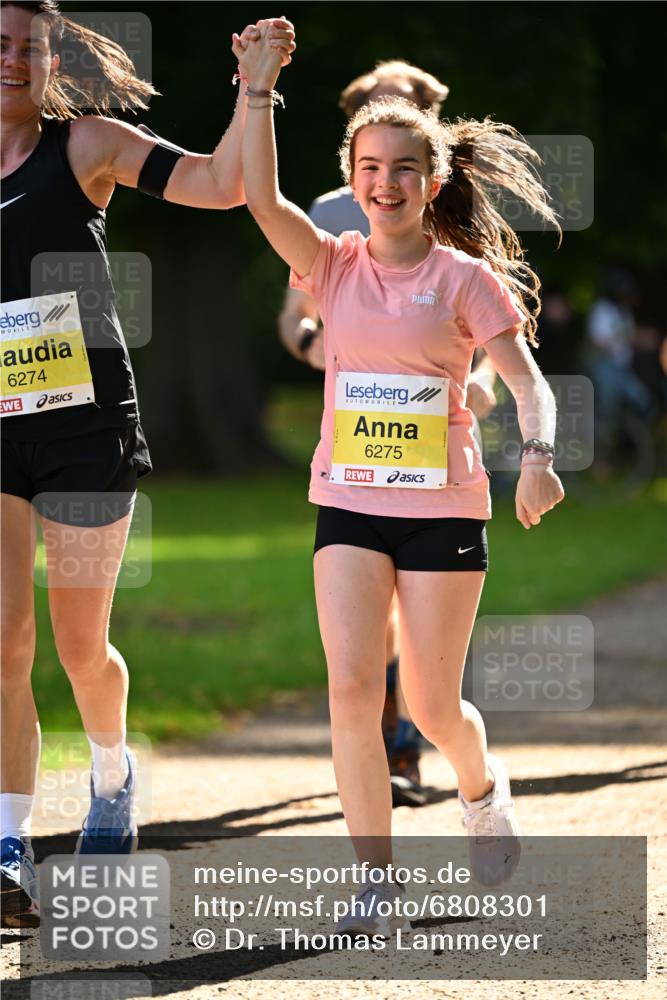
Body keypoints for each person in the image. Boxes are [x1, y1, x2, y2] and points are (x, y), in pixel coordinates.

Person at [233, 26, 564, 932]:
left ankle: (480, 786)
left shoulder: (464, 280)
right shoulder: (328, 265)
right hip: (346, 503)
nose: (385, 184)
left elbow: (529, 384)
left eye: (404, 169)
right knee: (350, 689)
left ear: (433, 180)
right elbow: (255, 195)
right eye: (368, 168)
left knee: (429, 701)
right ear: (351, 176)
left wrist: (536, 461)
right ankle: (374, 879)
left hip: (441, 510)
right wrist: (256, 88)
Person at [0, 1, 294, 928]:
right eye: (1, 44)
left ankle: (112, 773)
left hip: (87, 427)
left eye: (30, 48)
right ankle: (9, 847)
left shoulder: (86, 144)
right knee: (4, 640)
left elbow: (216, 185)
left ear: (53, 59)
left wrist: (254, 94)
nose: (15, 60)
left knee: (80, 646)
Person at [277, 60, 498, 808]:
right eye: (371, 113)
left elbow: (494, 349)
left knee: (431, 677)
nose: (386, 118)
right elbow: (296, 320)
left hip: (437, 471)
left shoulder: (460, 232)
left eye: (403, 112)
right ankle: (384, 809)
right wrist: (337, 353)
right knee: (355, 665)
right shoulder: (331, 220)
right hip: (355, 466)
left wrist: (468, 386)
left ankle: (431, 743)